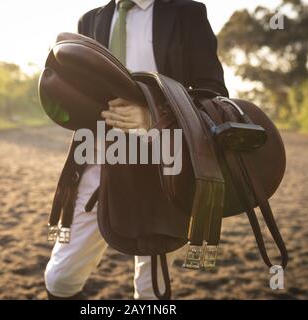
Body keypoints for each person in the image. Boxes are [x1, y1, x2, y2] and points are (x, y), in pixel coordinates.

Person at [45, 0, 228, 299]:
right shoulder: (89, 20)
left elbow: (213, 93)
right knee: (60, 277)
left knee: (150, 288)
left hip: (163, 164)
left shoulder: (187, 13)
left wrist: (154, 114)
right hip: (99, 160)